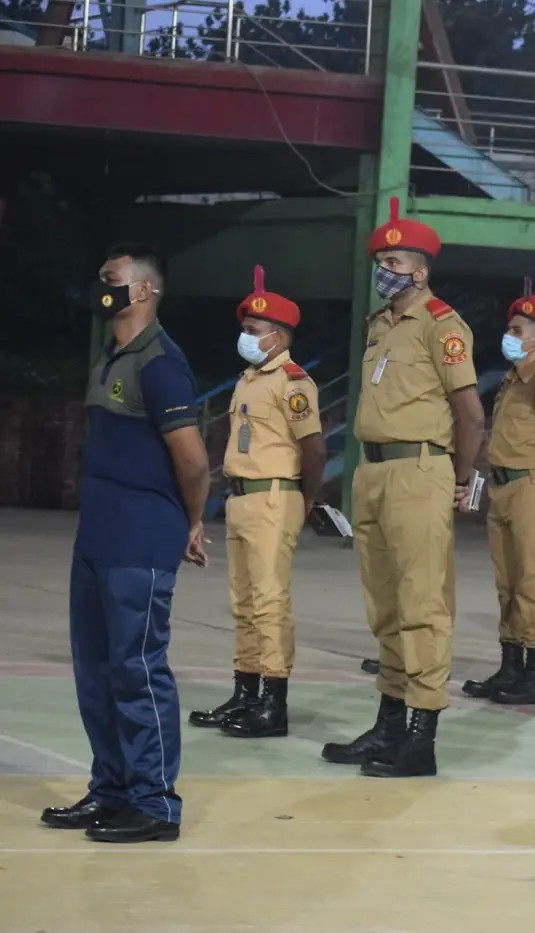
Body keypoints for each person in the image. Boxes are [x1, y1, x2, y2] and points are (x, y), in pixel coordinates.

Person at [41, 244, 208, 844]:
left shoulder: (160, 363)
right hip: (98, 538)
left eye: (110, 279)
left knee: (137, 670)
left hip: (140, 538)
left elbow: (193, 460)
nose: (101, 287)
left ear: (142, 291)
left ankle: (155, 803)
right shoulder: (111, 354)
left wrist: (192, 521)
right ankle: (111, 790)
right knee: (95, 672)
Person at [321, 197, 486, 779]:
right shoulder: (381, 325)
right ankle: (389, 724)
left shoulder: (442, 326)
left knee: (422, 605)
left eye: (393, 261)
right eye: (380, 261)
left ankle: (421, 736)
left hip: (420, 470)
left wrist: (462, 481)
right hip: (373, 471)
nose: (383, 270)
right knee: (385, 605)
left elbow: (470, 414)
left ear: (420, 270)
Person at [189, 266, 325, 740]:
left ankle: (274, 702)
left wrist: (305, 501)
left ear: (278, 336)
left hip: (274, 496)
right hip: (242, 497)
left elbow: (314, 449)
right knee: (244, 602)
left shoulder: (293, 382)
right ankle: (245, 693)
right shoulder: (249, 379)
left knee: (269, 602)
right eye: (245, 329)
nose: (245, 337)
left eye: (254, 330)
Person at [460, 290, 535, 706]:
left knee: (531, 582)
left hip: (530, 487)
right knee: (506, 582)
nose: (508, 336)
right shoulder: (510, 382)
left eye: (517, 330)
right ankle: (510, 667)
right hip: (502, 487)